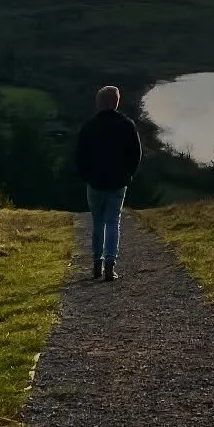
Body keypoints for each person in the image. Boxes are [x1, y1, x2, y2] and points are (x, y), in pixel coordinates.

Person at [75, 84, 143, 282]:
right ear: (116, 102)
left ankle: (97, 263)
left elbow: (79, 156)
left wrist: (86, 176)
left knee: (97, 222)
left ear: (98, 103)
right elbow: (136, 155)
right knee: (113, 222)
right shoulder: (127, 125)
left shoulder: (89, 126)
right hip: (118, 182)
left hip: (94, 183)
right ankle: (110, 265)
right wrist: (128, 175)